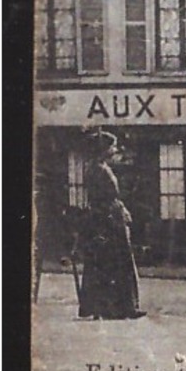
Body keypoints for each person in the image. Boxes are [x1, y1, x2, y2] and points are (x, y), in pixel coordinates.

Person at [77, 133, 143, 320]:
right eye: (112, 147)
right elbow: (106, 196)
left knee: (106, 262)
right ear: (103, 149)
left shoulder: (97, 168)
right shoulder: (99, 170)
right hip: (108, 219)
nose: (115, 150)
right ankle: (121, 307)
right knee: (118, 260)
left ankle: (108, 307)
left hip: (106, 217)